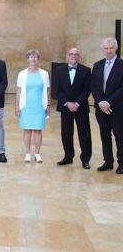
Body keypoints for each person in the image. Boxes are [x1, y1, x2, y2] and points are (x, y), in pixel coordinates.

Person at [52, 48, 92, 169]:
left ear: (79, 56)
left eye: (76, 54)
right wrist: (68, 103)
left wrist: (77, 103)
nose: (74, 56)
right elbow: (57, 90)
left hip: (81, 107)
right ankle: (68, 157)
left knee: (84, 133)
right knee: (66, 133)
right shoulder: (59, 70)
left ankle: (85, 159)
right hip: (65, 107)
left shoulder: (86, 71)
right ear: (67, 56)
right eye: (71, 54)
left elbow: (87, 90)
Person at [91, 37, 123, 174]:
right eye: (106, 48)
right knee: (104, 134)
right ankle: (108, 161)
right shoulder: (97, 65)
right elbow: (93, 86)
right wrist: (100, 102)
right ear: (102, 49)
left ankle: (121, 163)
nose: (109, 51)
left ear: (115, 48)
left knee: (119, 135)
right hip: (101, 108)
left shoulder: (122, 64)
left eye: (111, 48)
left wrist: (109, 102)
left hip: (117, 107)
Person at [15, 50, 50, 163]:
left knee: (38, 129)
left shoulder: (44, 74)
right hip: (26, 105)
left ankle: (37, 153)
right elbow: (18, 91)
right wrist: (17, 106)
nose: (33, 59)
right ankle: (27, 153)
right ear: (28, 59)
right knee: (27, 129)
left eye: (35, 57)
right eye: (31, 57)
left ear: (38, 58)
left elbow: (48, 90)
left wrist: (48, 105)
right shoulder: (22, 74)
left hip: (40, 105)